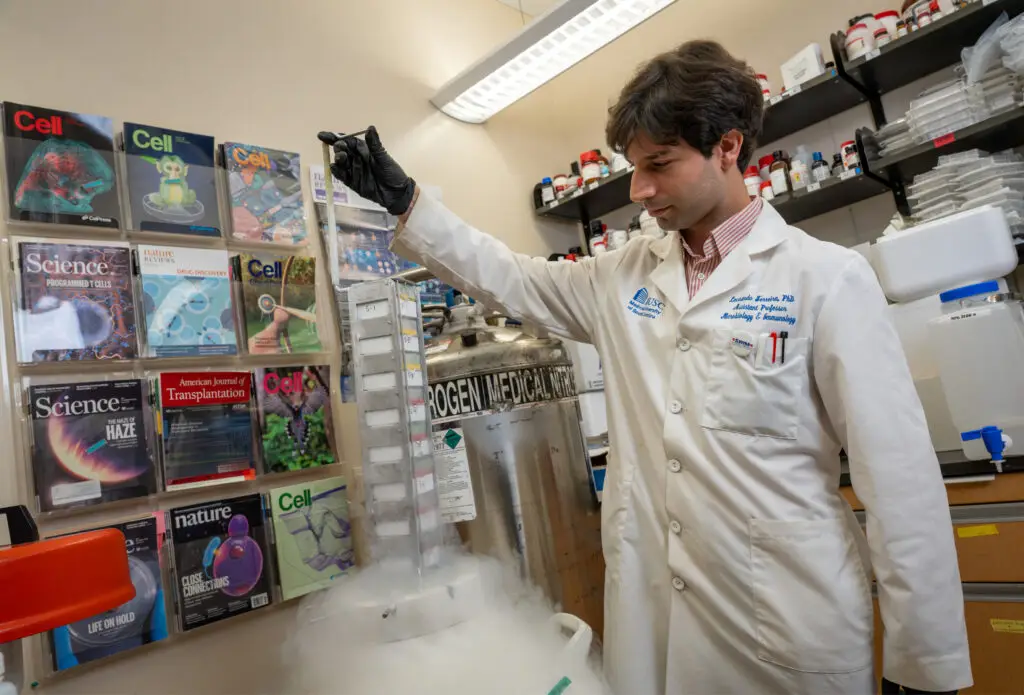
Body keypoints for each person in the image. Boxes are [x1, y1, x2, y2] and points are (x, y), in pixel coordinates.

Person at [327, 40, 971, 695]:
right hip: (658, 623)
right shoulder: (620, 276)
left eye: (659, 164)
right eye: (633, 167)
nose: (639, 190)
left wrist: (924, 663)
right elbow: (509, 278)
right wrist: (408, 204)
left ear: (727, 146)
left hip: (789, 624)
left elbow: (900, 482)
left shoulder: (826, 280)